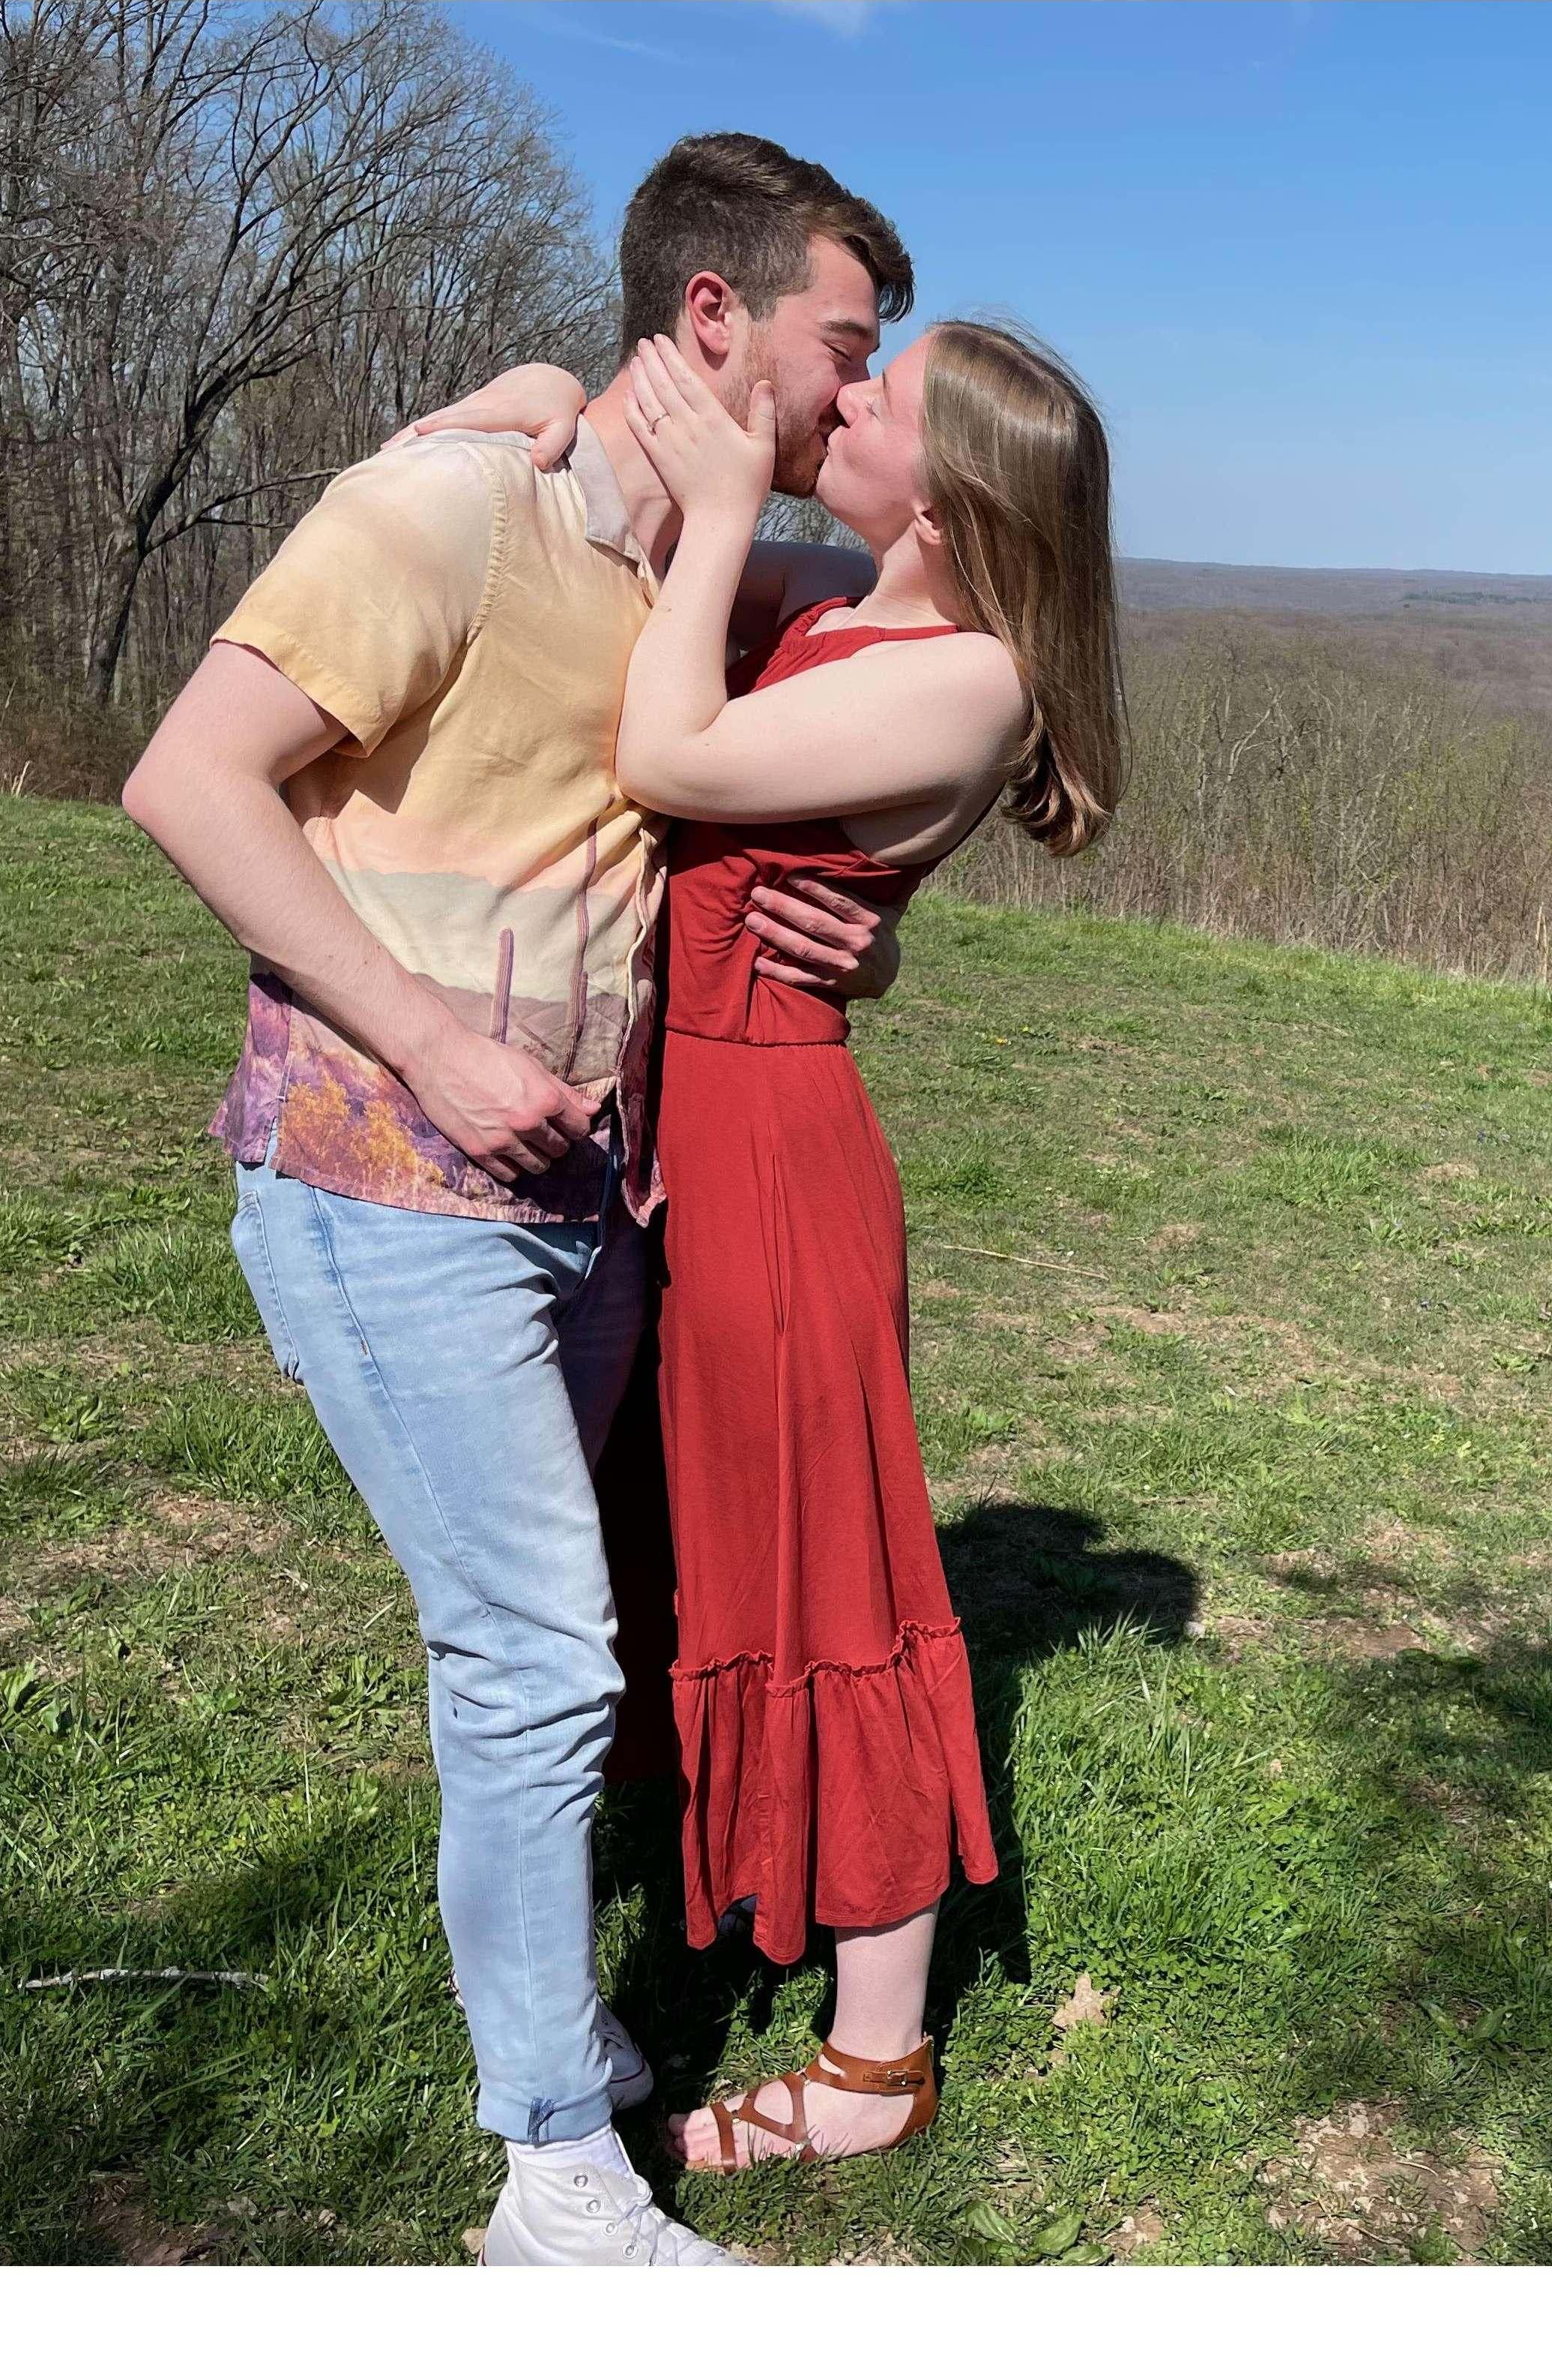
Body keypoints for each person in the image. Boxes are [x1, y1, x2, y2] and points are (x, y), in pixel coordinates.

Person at [121, 133, 921, 2267]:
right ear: (715, 327)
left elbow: (889, 697)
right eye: (848, 352)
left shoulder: (718, 589)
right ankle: (556, 2175)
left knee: (542, 1645)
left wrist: (867, 928)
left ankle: (554, 2021)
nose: (865, 399)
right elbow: (186, 774)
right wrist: (424, 1033)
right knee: (540, 1656)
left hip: (588, 1204)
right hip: (387, 1176)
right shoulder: (451, 508)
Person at [444, 318, 1125, 2168]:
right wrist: (532, 410)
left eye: (883, 402)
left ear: (956, 485)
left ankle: (874, 2061)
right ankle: (715, 1894)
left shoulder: (971, 674)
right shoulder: (868, 608)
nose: (844, 402)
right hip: (704, 1125)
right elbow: (652, 570)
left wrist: (738, 494)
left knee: (838, 1578)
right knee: (708, 1548)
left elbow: (669, 751)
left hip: (778, 1157)